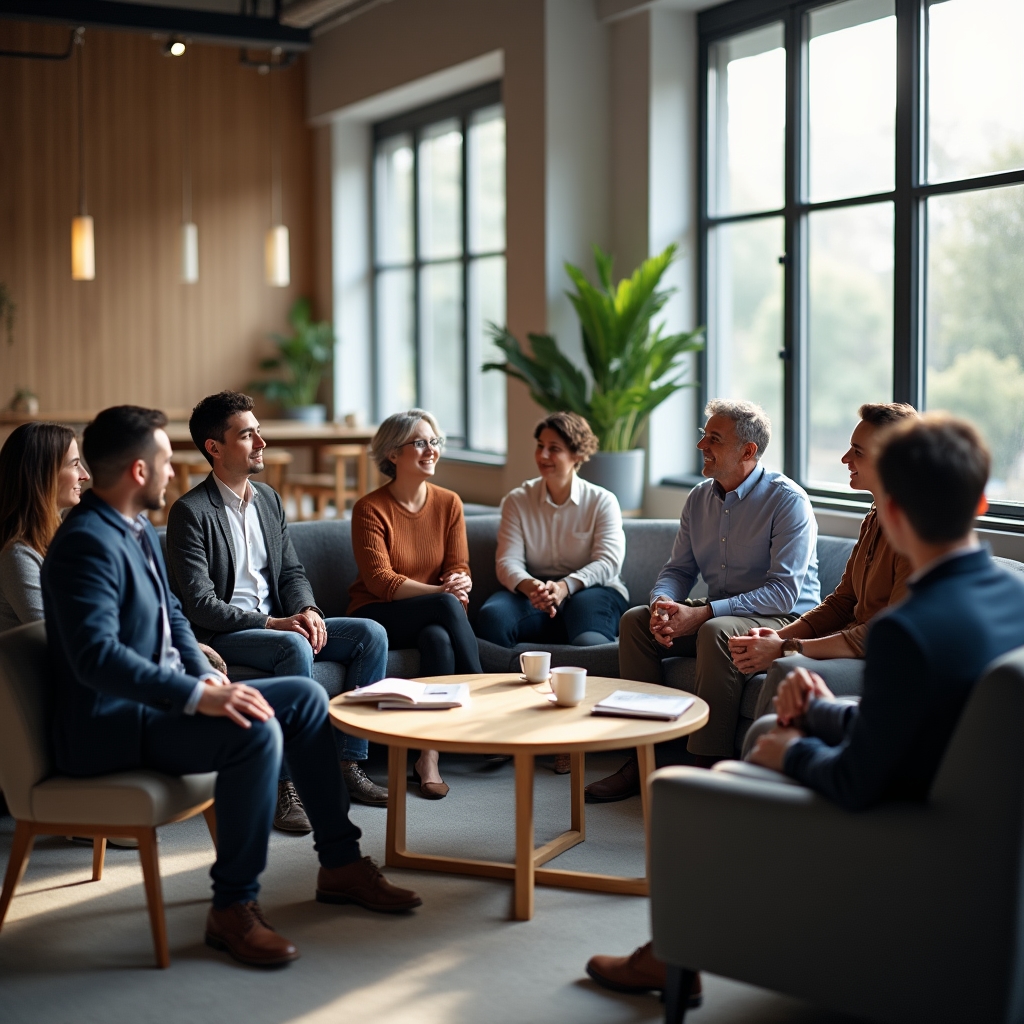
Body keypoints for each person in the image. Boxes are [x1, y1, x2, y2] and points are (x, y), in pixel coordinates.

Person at [585, 413, 1024, 1003]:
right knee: (774, 727)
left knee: (742, 766)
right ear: (981, 504)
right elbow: (929, 723)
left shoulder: (907, 629)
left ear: (895, 512)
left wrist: (791, 752)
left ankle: (672, 956)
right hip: (972, 814)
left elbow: (855, 780)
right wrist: (822, 714)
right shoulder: (1012, 594)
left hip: (907, 826)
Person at [42, 405, 421, 969]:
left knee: (306, 698)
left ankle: (340, 863)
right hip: (112, 725)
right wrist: (199, 696)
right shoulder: (85, 544)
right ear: (139, 471)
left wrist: (203, 672)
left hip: (159, 706)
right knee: (255, 731)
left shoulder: (135, 527)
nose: (174, 471)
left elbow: (173, 617)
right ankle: (232, 906)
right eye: (165, 461)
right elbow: (97, 659)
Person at [165, 391, 390, 830]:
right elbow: (201, 605)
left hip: (278, 624)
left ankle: (348, 764)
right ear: (214, 447)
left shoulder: (268, 499)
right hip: (228, 633)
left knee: (370, 634)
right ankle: (286, 782)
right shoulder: (190, 512)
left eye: (259, 432)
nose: (261, 443)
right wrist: (274, 622)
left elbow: (291, 572)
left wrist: (307, 609)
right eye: (247, 435)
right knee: (293, 646)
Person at [585, 399, 820, 803]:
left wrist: (702, 613)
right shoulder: (698, 498)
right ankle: (643, 756)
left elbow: (783, 591)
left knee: (715, 630)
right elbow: (678, 570)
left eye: (714, 438)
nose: (701, 446)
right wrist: (662, 604)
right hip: (723, 608)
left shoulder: (787, 500)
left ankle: (707, 767)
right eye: (703, 436)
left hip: (783, 617)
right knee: (636, 622)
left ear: (748, 450)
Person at [728, 403, 916, 721]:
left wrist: (789, 648)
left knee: (787, 668)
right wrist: (780, 636)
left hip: (879, 661)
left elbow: (882, 635)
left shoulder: (914, 532)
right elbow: (842, 603)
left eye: (858, 451)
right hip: (852, 647)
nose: (845, 458)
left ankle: (766, 752)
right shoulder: (874, 518)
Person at [348, 409, 481, 799]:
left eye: (434, 441)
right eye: (420, 443)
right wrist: (442, 593)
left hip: (432, 613)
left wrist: (460, 582)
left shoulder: (449, 503)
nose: (431, 450)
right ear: (393, 453)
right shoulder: (369, 508)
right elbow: (381, 581)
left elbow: (458, 566)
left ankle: (428, 756)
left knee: (438, 637)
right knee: (444, 608)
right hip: (376, 613)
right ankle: (485, 694)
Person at [476, 412, 628, 649]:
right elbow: (507, 562)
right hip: (535, 593)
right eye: (540, 446)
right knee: (492, 619)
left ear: (577, 454)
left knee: (588, 641)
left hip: (593, 591)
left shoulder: (602, 501)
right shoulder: (517, 501)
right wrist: (533, 587)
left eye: (554, 448)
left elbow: (609, 562)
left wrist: (564, 587)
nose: (543, 455)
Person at [0, 422, 89, 633]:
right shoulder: (17, 556)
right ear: (43, 474)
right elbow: (62, 636)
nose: (85, 475)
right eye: (75, 464)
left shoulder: (64, 536)